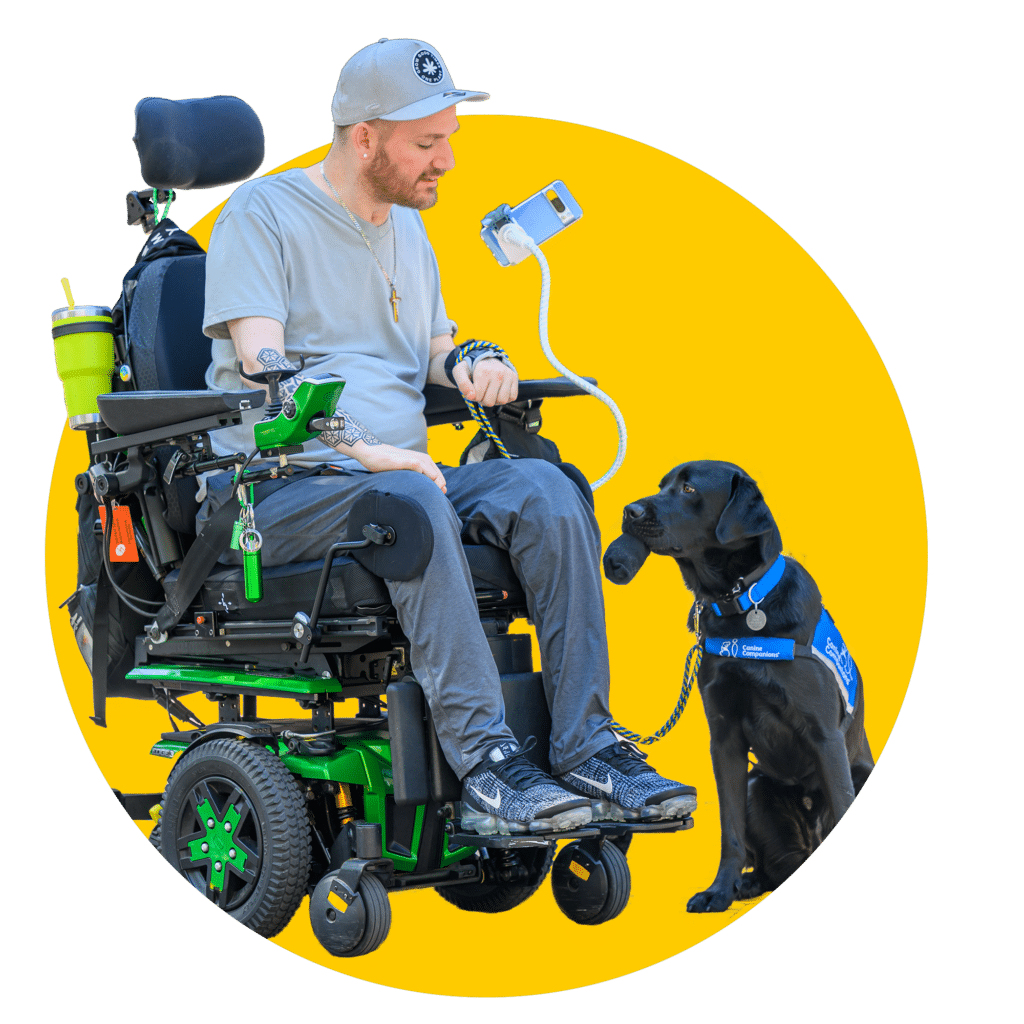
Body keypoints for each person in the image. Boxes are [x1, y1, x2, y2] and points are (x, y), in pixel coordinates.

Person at [198, 37, 696, 835]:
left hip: (398, 479)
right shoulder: (266, 212)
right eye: (427, 143)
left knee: (549, 490)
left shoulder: (409, 233)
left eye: (449, 139)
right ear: (365, 138)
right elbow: (265, 364)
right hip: (281, 491)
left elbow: (430, 351)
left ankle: (588, 746)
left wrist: (473, 361)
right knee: (406, 500)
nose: (448, 161)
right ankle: (490, 768)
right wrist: (365, 449)